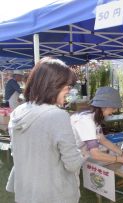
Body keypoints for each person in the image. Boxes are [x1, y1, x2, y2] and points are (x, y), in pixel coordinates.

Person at [6, 57, 86, 203]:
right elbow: (72, 163)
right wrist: (85, 150)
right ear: (54, 85)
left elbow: (16, 151)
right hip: (54, 194)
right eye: (67, 87)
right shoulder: (57, 115)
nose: (69, 91)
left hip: (26, 192)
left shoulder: (18, 112)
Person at [70, 86, 123, 170]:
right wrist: (122, 160)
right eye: (113, 108)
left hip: (76, 158)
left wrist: (122, 153)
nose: (114, 111)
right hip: (68, 160)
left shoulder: (93, 116)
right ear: (103, 106)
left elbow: (102, 140)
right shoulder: (86, 120)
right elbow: (95, 154)